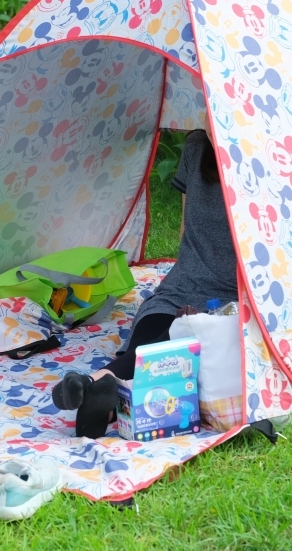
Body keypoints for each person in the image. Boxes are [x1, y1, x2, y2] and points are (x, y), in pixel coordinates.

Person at [51, 130, 238, 439]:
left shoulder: (196, 144)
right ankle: (103, 392)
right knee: (170, 352)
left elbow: (185, 231)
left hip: (180, 287)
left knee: (145, 348)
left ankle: (96, 387)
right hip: (230, 301)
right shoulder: (266, 156)